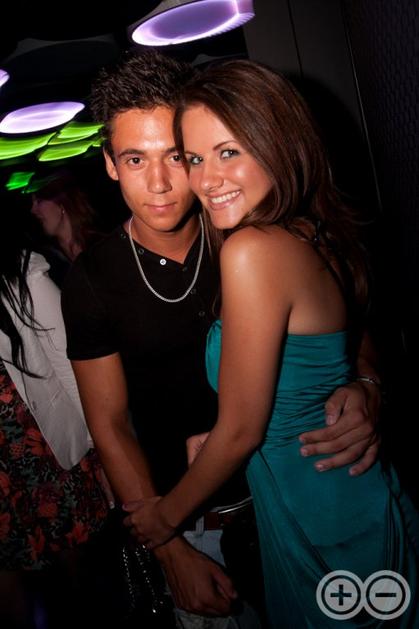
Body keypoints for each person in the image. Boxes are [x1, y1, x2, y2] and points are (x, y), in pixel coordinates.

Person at [61, 50, 381, 629]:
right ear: (109, 165)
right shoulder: (92, 279)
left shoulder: (246, 225)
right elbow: (108, 422)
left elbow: (345, 329)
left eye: (176, 156)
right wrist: (169, 548)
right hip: (195, 525)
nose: (160, 183)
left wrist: (366, 384)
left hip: (298, 495)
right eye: (134, 159)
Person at [0, 201, 109, 628]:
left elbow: (72, 366)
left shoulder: (23, 273)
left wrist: (104, 449)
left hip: (42, 448)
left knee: (75, 565)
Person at [30, 170, 103, 287]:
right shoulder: (47, 261)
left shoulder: (102, 247)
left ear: (61, 203)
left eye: (39, 201)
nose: (33, 210)